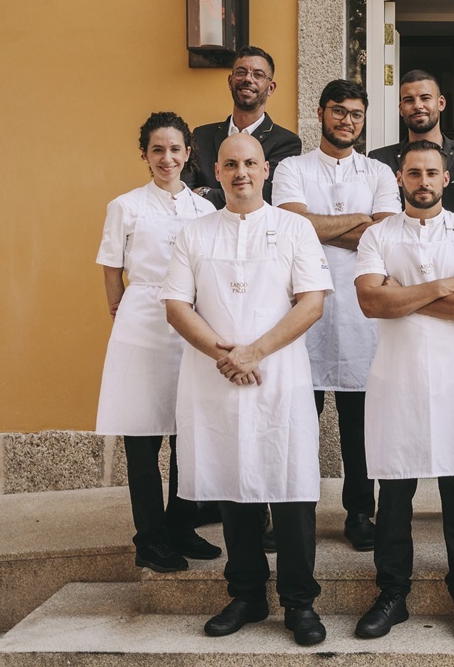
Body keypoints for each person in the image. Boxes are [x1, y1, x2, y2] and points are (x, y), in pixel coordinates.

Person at [162, 133, 332, 646]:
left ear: (266, 171)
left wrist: (253, 353)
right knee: (233, 483)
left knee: (291, 489)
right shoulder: (193, 232)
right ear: (216, 171)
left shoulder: (295, 228)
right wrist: (225, 355)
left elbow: (311, 303)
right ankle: (246, 595)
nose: (241, 172)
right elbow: (175, 304)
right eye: (231, 164)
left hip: (279, 376)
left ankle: (300, 603)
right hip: (215, 377)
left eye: (251, 163)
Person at [353, 140, 454, 641]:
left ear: (447, 177)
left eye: (432, 172)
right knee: (393, 493)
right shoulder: (377, 236)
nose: (423, 181)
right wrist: (439, 287)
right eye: (414, 172)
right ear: (399, 177)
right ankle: (393, 593)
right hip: (397, 376)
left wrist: (403, 294)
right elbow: (371, 301)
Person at [273, 79, 398, 552]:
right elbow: (291, 225)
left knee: (359, 426)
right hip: (302, 312)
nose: (348, 121)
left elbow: (384, 236)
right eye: (339, 111)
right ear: (322, 113)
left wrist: (317, 226)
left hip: (361, 315)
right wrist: (358, 223)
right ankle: (291, 511)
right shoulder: (292, 167)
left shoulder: (379, 173)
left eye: (356, 114)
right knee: (297, 420)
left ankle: (360, 513)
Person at [95, 112, 220, 573]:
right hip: (143, 325)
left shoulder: (206, 210)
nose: (166, 158)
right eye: (157, 150)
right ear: (144, 155)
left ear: (189, 153)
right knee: (143, 436)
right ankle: (149, 537)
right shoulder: (125, 206)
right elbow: (111, 265)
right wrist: (120, 306)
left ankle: (181, 525)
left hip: (191, 323)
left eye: (175, 149)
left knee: (188, 429)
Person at [368, 69, 454, 223]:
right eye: (409, 100)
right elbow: (373, 222)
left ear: (441, 103)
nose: (417, 105)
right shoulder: (379, 160)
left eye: (425, 98)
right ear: (401, 109)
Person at [184, 45, 301, 208]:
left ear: (271, 88)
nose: (248, 79)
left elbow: (264, 195)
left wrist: (204, 192)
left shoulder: (286, 142)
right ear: (230, 81)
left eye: (258, 75)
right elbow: (184, 195)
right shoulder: (201, 135)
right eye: (241, 72)